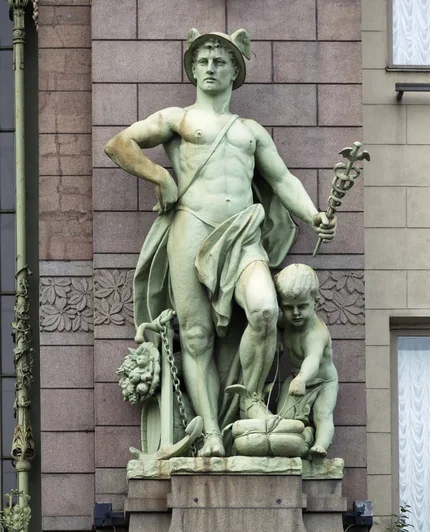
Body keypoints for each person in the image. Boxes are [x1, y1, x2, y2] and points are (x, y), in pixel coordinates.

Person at [104, 28, 337, 457]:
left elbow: (282, 179)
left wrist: (314, 215)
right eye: (204, 61)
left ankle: (247, 400)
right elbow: (119, 143)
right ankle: (211, 432)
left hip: (243, 233)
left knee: (266, 310)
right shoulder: (179, 118)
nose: (211, 68)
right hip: (191, 226)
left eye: (220, 61)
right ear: (193, 70)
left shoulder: (250, 131)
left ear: (235, 72)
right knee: (196, 337)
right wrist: (162, 177)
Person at [275, 264, 339, 457]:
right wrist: (277, 337)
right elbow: (273, 324)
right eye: (288, 307)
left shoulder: (315, 333)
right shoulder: (287, 321)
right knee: (283, 421)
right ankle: (306, 435)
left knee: (322, 413)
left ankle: (320, 444)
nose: (295, 313)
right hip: (296, 376)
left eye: (302, 306)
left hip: (322, 381)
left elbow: (312, 358)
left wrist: (302, 379)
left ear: (316, 302)